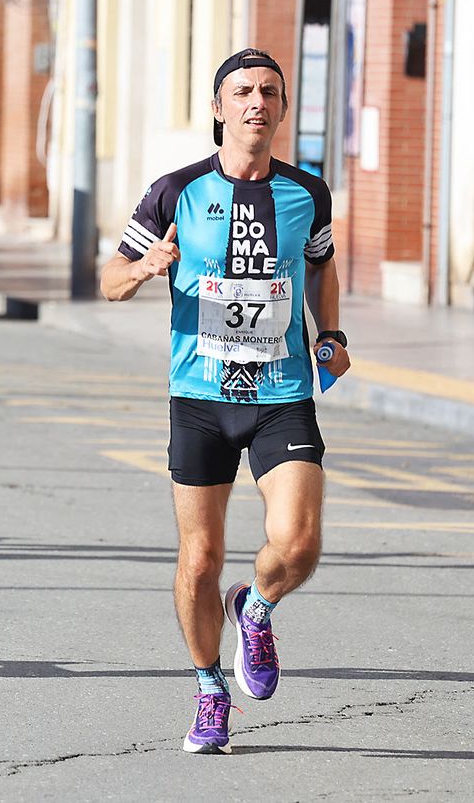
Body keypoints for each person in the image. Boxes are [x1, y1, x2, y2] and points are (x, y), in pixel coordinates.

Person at [100, 48, 351, 756]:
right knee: (200, 558)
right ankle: (210, 689)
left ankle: (258, 606)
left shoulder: (309, 192)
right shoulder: (175, 191)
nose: (256, 104)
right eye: (242, 92)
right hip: (200, 398)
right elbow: (108, 278)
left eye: (269, 92)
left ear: (281, 107)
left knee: (299, 542)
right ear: (219, 107)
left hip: (281, 393)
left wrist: (329, 332)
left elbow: (322, 266)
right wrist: (145, 267)